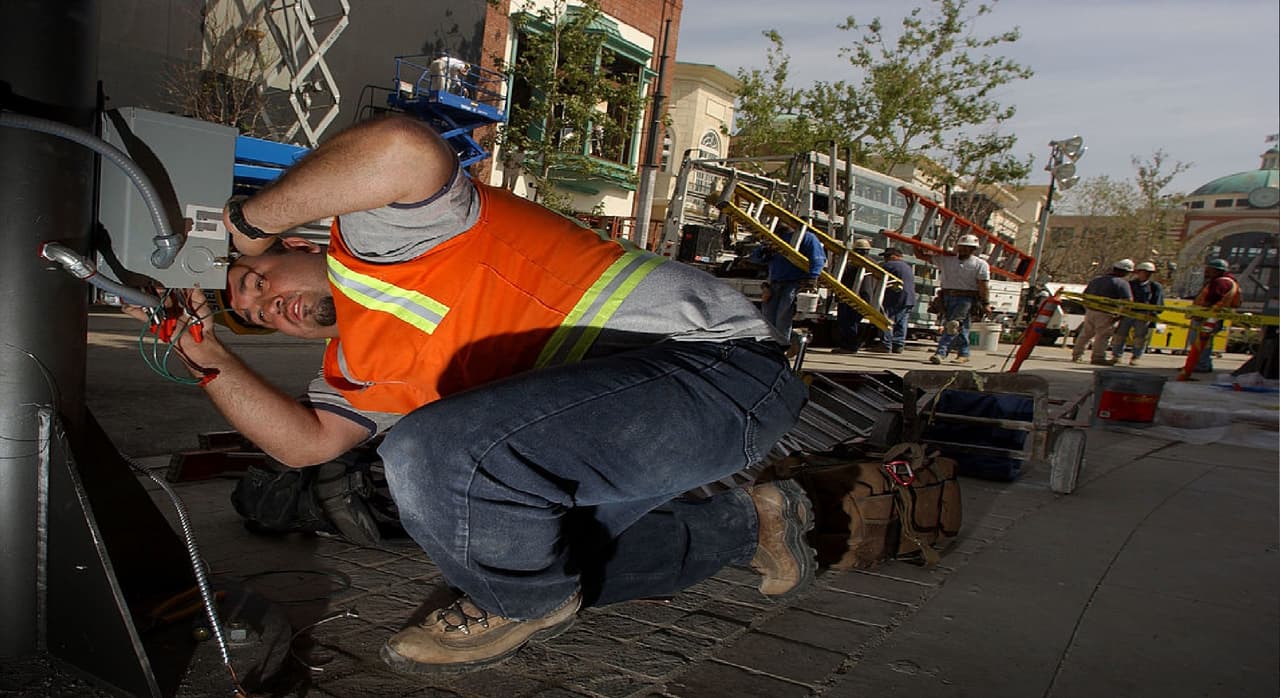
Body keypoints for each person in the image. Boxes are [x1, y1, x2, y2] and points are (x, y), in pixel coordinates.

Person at [124, 116, 817, 673]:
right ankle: (750, 524)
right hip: (645, 427)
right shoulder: (357, 369)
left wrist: (243, 226)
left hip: (718, 370)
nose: (269, 305)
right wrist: (203, 352)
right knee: (526, 552)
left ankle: (518, 601)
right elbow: (303, 446)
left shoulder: (380, 236)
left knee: (433, 456)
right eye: (256, 316)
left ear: (297, 245)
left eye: (259, 281)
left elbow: (400, 147)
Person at [919, 233, 991, 365]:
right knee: (961, 327)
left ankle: (941, 353)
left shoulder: (980, 264)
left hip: (966, 298)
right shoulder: (947, 260)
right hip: (947, 296)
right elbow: (922, 256)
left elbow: (983, 285)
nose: (964, 249)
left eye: (967, 247)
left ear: (973, 249)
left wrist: (985, 302)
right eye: (962, 247)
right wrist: (915, 243)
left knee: (953, 325)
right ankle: (963, 353)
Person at [752, 224, 827, 346]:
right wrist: (764, 252)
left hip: (793, 284)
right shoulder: (774, 239)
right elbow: (755, 258)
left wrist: (812, 278)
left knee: (782, 319)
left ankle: (781, 348)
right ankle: (769, 347)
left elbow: (817, 259)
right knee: (768, 319)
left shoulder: (806, 237)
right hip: (774, 284)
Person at [1072, 259, 1134, 366]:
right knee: (1103, 336)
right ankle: (1098, 357)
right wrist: (1120, 315)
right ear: (1125, 271)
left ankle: (1077, 355)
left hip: (1091, 311)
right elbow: (1128, 301)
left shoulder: (1097, 280)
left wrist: (1088, 308)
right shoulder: (1121, 283)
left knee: (1085, 334)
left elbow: (1085, 295)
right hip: (1107, 313)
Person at [1189, 258, 1241, 373]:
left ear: (1217, 270)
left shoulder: (1220, 282)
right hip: (1213, 317)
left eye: (1209, 269)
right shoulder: (1230, 281)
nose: (1207, 272)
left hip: (1207, 318)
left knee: (1199, 341)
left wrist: (1200, 312)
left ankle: (1201, 365)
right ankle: (1203, 364)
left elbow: (1212, 299)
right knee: (1205, 342)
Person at [1109, 261, 1164, 365]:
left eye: (1149, 273)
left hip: (1143, 315)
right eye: (1144, 272)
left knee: (1140, 337)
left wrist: (1152, 313)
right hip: (1127, 313)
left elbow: (1158, 302)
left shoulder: (1155, 287)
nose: (1146, 274)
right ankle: (1116, 356)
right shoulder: (1130, 284)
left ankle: (1136, 357)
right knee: (1120, 335)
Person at [833, 238, 880, 353]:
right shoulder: (874, 263)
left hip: (852, 297)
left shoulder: (854, 263)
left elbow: (843, 277)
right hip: (867, 297)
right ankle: (854, 344)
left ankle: (849, 346)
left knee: (847, 322)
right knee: (855, 322)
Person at [877, 247, 916, 354]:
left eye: (886, 257)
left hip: (895, 297)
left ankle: (885, 345)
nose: (885, 259)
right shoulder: (907, 266)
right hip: (909, 298)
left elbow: (876, 271)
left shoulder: (891, 265)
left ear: (894, 256)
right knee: (902, 322)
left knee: (886, 320)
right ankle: (898, 345)